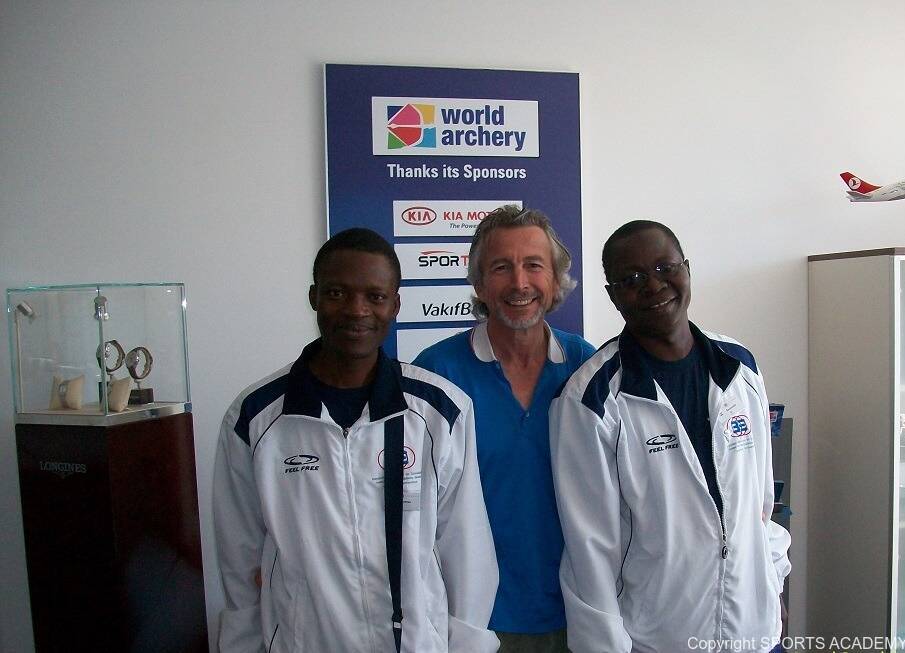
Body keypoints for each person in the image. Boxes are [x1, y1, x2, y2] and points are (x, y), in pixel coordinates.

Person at [213, 228, 499, 653]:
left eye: (375, 296)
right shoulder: (255, 418)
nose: (356, 310)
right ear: (313, 297)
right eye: (336, 293)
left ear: (395, 305)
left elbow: (466, 549)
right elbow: (238, 558)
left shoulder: (439, 411)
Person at [550, 220, 791, 653]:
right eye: (632, 278)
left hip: (754, 630)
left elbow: (761, 505)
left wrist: (771, 586)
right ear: (613, 296)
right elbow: (590, 551)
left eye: (665, 267)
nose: (654, 285)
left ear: (687, 269)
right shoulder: (592, 400)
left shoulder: (740, 367)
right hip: (659, 640)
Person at [414, 206, 594, 652]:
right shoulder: (434, 374)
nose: (519, 283)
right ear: (478, 283)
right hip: (471, 621)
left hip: (579, 614)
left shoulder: (587, 367)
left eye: (534, 265)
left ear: (555, 279)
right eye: (501, 267)